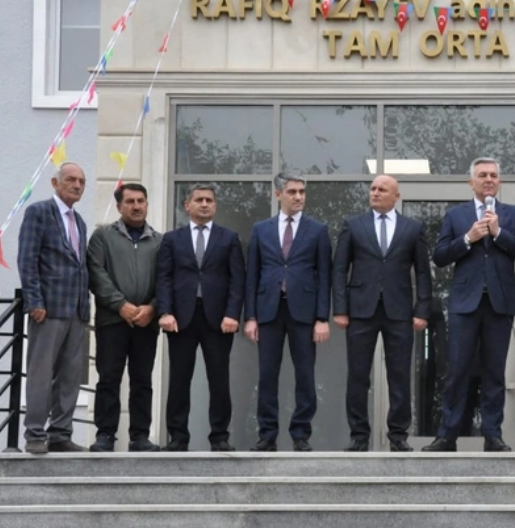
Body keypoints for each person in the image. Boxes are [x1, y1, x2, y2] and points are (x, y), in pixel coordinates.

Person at [423, 158, 515, 452]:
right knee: (457, 371)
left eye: (494, 175)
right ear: (470, 182)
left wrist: (499, 233)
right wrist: (468, 238)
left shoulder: (513, 215)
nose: (489, 180)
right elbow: (440, 256)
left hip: (500, 303)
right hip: (465, 304)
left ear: (499, 182)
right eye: (482, 175)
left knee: (494, 373)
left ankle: (492, 435)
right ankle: (447, 435)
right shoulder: (455, 215)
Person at [332, 175, 432, 452]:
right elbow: (339, 269)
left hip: (399, 311)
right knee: (358, 376)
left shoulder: (413, 228)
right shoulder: (353, 225)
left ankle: (398, 436)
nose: (375, 193)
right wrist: (340, 309)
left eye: (382, 189)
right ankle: (359, 436)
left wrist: (422, 309)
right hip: (360, 310)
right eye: (373, 188)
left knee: (399, 376)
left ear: (396, 196)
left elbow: (423, 273)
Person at [243, 173, 332, 452]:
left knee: (305, 375)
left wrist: (322, 318)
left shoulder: (318, 230)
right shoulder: (261, 229)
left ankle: (301, 434)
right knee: (267, 375)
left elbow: (324, 276)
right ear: (278, 194)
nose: (298, 197)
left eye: (302, 192)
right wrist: (251, 316)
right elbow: (252, 274)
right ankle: (267, 435)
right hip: (268, 310)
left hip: (304, 313)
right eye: (292, 192)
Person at [156, 184, 245, 452]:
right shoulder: (172, 239)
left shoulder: (229, 238)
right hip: (180, 319)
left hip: (218, 320)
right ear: (187, 205)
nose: (204, 204)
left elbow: (237, 280)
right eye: (199, 200)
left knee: (219, 379)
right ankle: (177, 437)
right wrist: (165, 312)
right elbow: (164, 277)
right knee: (179, 379)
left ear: (215, 206)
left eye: (209, 200)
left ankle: (219, 436)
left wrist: (232, 314)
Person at [16, 162, 91, 454]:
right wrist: (34, 300)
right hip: (48, 309)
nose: (77, 185)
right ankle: (35, 433)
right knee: (41, 373)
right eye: (71, 179)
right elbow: (27, 259)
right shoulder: (39, 212)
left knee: (70, 377)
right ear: (55, 183)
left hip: (77, 311)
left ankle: (60, 433)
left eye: (81, 181)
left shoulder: (79, 221)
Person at [86, 183, 162, 452]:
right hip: (112, 321)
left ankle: (140, 437)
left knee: (142, 380)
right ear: (119, 206)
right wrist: (121, 305)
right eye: (130, 201)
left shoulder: (159, 241)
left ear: (147, 205)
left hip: (147, 322)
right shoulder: (103, 236)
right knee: (109, 378)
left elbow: (166, 279)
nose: (136, 206)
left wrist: (152, 308)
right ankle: (105, 435)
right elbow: (96, 274)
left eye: (141, 201)